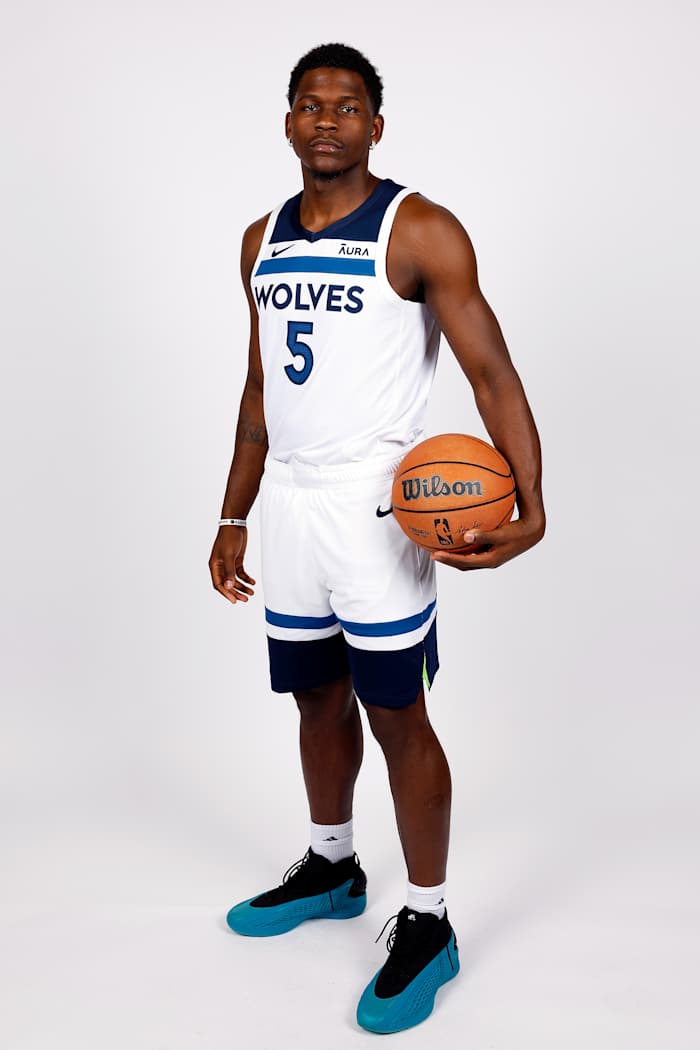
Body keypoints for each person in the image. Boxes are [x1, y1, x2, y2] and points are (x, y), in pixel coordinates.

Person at [208, 42, 545, 1034]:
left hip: (376, 507)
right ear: (286, 122)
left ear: (375, 126)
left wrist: (531, 504)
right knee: (314, 693)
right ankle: (332, 863)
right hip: (291, 505)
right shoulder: (257, 240)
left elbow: (491, 373)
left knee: (397, 714)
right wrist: (232, 512)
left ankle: (429, 923)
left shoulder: (419, 229)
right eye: (308, 105)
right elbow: (259, 389)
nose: (325, 120)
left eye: (345, 106)